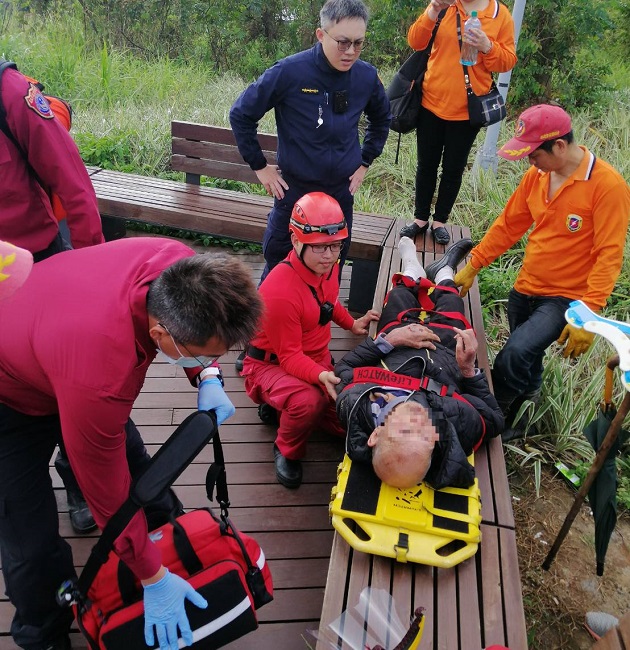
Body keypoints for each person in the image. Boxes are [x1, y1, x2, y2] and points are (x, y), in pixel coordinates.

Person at [0, 237, 263, 650]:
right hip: (10, 397)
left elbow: (200, 332)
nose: (204, 361)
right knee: (28, 542)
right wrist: (153, 578)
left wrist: (207, 376)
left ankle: (173, 553)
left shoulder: (181, 267)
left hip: (53, 343)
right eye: (199, 357)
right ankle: (44, 633)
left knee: (145, 479)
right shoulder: (103, 374)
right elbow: (108, 495)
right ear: (159, 334)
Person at [454, 104, 630, 440]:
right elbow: (509, 225)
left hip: (564, 297)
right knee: (527, 358)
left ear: (560, 146)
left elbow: (609, 254)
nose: (529, 162)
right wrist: (475, 263)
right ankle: (525, 418)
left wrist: (590, 313)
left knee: (515, 354)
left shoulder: (608, 187)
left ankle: (494, 414)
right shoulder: (537, 177)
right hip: (526, 287)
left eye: (534, 154)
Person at [0, 61, 108, 534]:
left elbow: (73, 184)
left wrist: (93, 279)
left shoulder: (12, 93)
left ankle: (79, 478)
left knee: (68, 378)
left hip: (38, 264)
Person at [229, 0, 391, 282]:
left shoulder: (365, 76)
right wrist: (260, 166)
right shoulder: (290, 72)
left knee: (332, 265)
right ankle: (267, 322)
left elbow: (382, 118)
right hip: (295, 190)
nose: (350, 51)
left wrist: (365, 161)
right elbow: (241, 114)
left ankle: (321, 320)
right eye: (342, 42)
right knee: (280, 261)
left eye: (358, 43)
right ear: (321, 35)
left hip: (340, 192)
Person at [334, 237, 504, 489]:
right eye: (426, 435)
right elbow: (493, 419)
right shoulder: (449, 422)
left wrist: (389, 340)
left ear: (375, 435)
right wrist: (468, 370)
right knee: (451, 304)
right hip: (447, 348)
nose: (419, 420)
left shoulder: (357, 406)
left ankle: (412, 264)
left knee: (400, 297)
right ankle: (445, 270)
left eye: (404, 431)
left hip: (400, 338)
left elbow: (343, 369)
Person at [241, 192, 379, 488]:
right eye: (319, 248)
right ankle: (285, 448)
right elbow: (289, 356)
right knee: (309, 401)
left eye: (335, 246)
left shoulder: (326, 268)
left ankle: (280, 407)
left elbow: (329, 302)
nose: (329, 256)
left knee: (345, 417)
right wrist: (319, 375)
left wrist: (353, 324)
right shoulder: (279, 289)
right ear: (295, 240)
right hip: (270, 365)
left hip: (314, 358)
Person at [399, 0, 516, 246]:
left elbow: (506, 61)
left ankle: (440, 221)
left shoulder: (500, 14)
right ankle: (420, 219)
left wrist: (487, 46)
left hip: (467, 112)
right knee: (426, 165)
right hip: (430, 103)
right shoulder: (445, 6)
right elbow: (416, 42)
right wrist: (432, 10)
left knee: (453, 169)